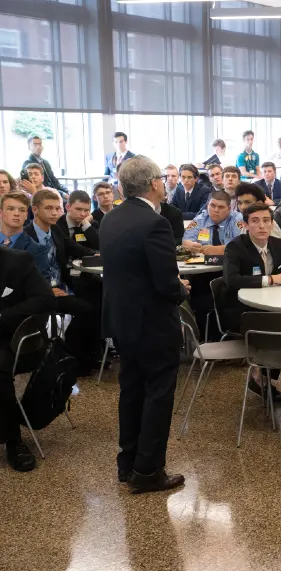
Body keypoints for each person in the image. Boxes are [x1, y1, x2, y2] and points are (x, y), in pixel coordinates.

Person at [100, 155, 190, 493]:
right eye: (162, 180)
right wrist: (181, 288)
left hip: (122, 320)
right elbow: (166, 283)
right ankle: (148, 470)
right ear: (154, 183)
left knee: (131, 390)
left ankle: (128, 463)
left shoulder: (111, 218)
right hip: (153, 323)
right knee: (158, 394)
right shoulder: (156, 223)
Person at [25, 189, 99, 372]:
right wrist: (46, 290)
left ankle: (85, 357)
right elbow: (24, 274)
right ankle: (74, 360)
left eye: (57, 208)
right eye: (49, 208)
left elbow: (75, 248)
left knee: (97, 297)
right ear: (35, 210)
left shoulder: (55, 230)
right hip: (40, 292)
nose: (54, 213)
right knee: (85, 309)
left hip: (62, 285)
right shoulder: (26, 236)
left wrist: (98, 255)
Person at [0, 244, 54, 472]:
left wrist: (3, 316)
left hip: (14, 340)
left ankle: (13, 441)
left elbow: (44, 299)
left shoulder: (17, 261)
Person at [221, 202, 281, 332]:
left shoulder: (278, 244)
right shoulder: (235, 247)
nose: (262, 226)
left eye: (266, 220)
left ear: (272, 224)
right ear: (246, 225)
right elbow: (232, 280)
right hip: (245, 309)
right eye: (255, 221)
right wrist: (272, 279)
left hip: (274, 302)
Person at [0, 191, 52, 281]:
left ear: (26, 215)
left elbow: (42, 285)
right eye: (11, 209)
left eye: (22, 210)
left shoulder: (38, 250)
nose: (16, 214)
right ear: (1, 213)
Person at [183, 191, 242, 257]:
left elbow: (241, 246)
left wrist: (217, 250)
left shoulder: (237, 220)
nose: (216, 210)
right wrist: (191, 245)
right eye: (212, 205)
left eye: (221, 207)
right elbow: (186, 240)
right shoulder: (200, 220)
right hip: (202, 262)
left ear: (229, 209)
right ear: (207, 205)